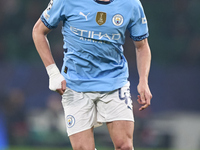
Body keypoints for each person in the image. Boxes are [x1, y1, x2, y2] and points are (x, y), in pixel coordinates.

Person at [32, 0, 152, 149]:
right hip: (75, 85)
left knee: (124, 146)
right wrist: (53, 72)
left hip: (114, 82)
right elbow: (38, 31)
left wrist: (143, 81)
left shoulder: (131, 4)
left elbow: (142, 46)